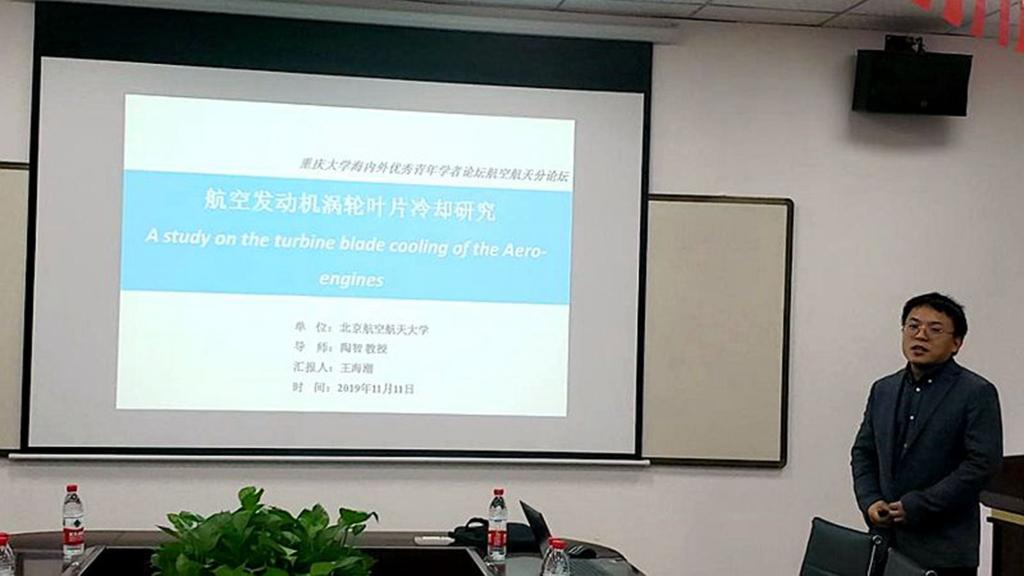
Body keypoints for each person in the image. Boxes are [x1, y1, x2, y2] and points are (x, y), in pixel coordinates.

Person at [851, 292, 1003, 576]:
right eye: (913, 326)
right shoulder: (883, 389)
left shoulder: (976, 392)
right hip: (885, 543)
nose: (920, 335)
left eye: (934, 329)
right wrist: (869, 499)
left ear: (956, 343)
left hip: (945, 551)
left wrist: (919, 505)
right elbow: (864, 452)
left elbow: (982, 464)